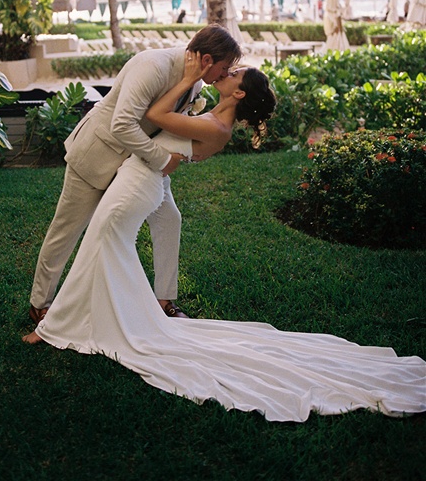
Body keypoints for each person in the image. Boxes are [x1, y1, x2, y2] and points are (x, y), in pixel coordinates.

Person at [23, 55, 426, 421]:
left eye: (233, 73)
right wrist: (191, 85)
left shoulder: (214, 126)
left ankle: (58, 325)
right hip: (138, 181)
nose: (226, 72)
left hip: (137, 186)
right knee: (105, 248)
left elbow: (154, 113)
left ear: (238, 92)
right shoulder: (211, 114)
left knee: (103, 246)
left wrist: (187, 78)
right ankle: (90, 317)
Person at [28, 24, 242, 326]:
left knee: (169, 218)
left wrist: (191, 147)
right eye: (224, 67)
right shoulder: (152, 66)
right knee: (66, 230)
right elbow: (122, 125)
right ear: (207, 60)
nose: (224, 74)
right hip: (97, 154)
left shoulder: (194, 83)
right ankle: (40, 305)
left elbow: (168, 122)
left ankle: (164, 300)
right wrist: (163, 159)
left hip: (136, 162)